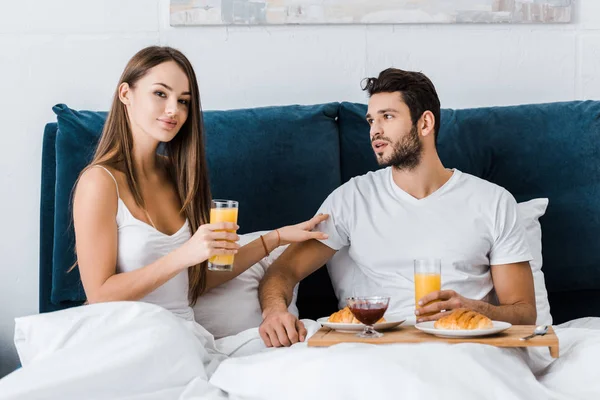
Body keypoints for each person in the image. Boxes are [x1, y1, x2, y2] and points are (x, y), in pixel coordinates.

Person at [258, 68, 536, 348]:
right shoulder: (352, 199)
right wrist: (274, 312)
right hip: (375, 350)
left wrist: (473, 309)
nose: (374, 130)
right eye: (370, 121)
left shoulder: (493, 202)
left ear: (425, 123)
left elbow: (524, 313)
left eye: (387, 117)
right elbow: (283, 271)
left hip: (466, 349)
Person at [72, 46, 329, 322]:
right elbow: (99, 294)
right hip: (130, 333)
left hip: (183, 333)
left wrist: (275, 238)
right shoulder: (99, 182)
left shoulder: (177, 175)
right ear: (126, 94)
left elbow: (200, 280)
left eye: (183, 101)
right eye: (160, 93)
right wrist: (184, 255)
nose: (173, 110)